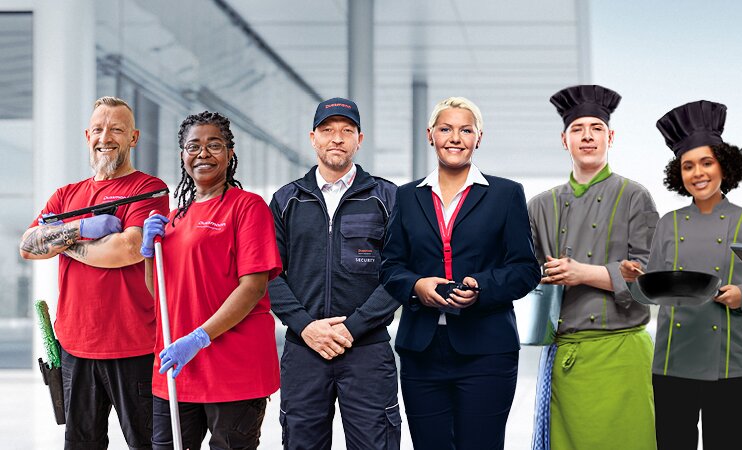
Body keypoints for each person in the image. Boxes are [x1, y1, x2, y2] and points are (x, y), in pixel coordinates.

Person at [379, 96, 539, 449]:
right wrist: (416, 285)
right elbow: (389, 266)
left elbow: (526, 270)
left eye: (465, 130)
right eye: (446, 129)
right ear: (430, 135)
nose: (455, 137)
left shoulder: (506, 194)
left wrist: (482, 286)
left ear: (478, 137)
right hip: (422, 350)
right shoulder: (406, 197)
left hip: (488, 349)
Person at [618, 100, 742, 450]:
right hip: (672, 362)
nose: (697, 173)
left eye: (706, 162)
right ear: (679, 174)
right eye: (688, 166)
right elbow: (650, 292)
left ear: (724, 165)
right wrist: (634, 279)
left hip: (729, 364)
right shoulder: (669, 223)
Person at [19, 96, 169, 450]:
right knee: (81, 444)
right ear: (88, 135)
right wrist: (84, 227)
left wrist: (60, 237)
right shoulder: (66, 195)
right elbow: (28, 246)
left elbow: (126, 250)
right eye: (99, 129)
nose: (106, 136)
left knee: (147, 443)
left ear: (133, 137)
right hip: (75, 347)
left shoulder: (146, 189)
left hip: (133, 346)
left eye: (117, 129)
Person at [138, 111, 282, 449]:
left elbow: (253, 287)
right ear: (182, 156)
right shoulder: (173, 218)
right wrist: (148, 252)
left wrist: (199, 337)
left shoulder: (247, 207)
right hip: (177, 369)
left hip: (233, 369)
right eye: (194, 146)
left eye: (214, 145)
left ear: (230, 154)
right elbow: (159, 292)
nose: (203, 153)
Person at [527, 84, 659, 449]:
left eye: (596, 128)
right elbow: (524, 274)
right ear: (563, 139)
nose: (587, 137)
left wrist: (582, 273)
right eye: (577, 129)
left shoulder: (635, 196)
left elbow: (650, 276)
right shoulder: (540, 206)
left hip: (623, 355)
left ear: (610, 136)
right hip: (567, 358)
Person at [268, 97, 401, 449]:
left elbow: (399, 274)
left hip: (368, 351)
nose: (337, 138)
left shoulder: (387, 197)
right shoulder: (287, 200)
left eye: (346, 130)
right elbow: (268, 273)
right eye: (327, 130)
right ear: (313, 138)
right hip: (304, 350)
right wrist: (305, 326)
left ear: (360, 139)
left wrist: (351, 328)